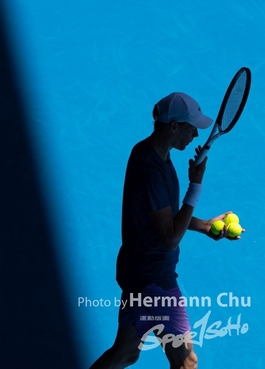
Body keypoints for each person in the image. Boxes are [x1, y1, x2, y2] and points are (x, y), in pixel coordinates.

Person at [89, 92, 243, 369]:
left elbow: (163, 216)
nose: (196, 134)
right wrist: (195, 185)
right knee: (187, 363)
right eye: (191, 127)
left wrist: (204, 225)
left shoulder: (151, 154)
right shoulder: (151, 170)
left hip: (139, 273)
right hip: (154, 280)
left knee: (126, 353)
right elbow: (170, 238)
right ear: (174, 126)